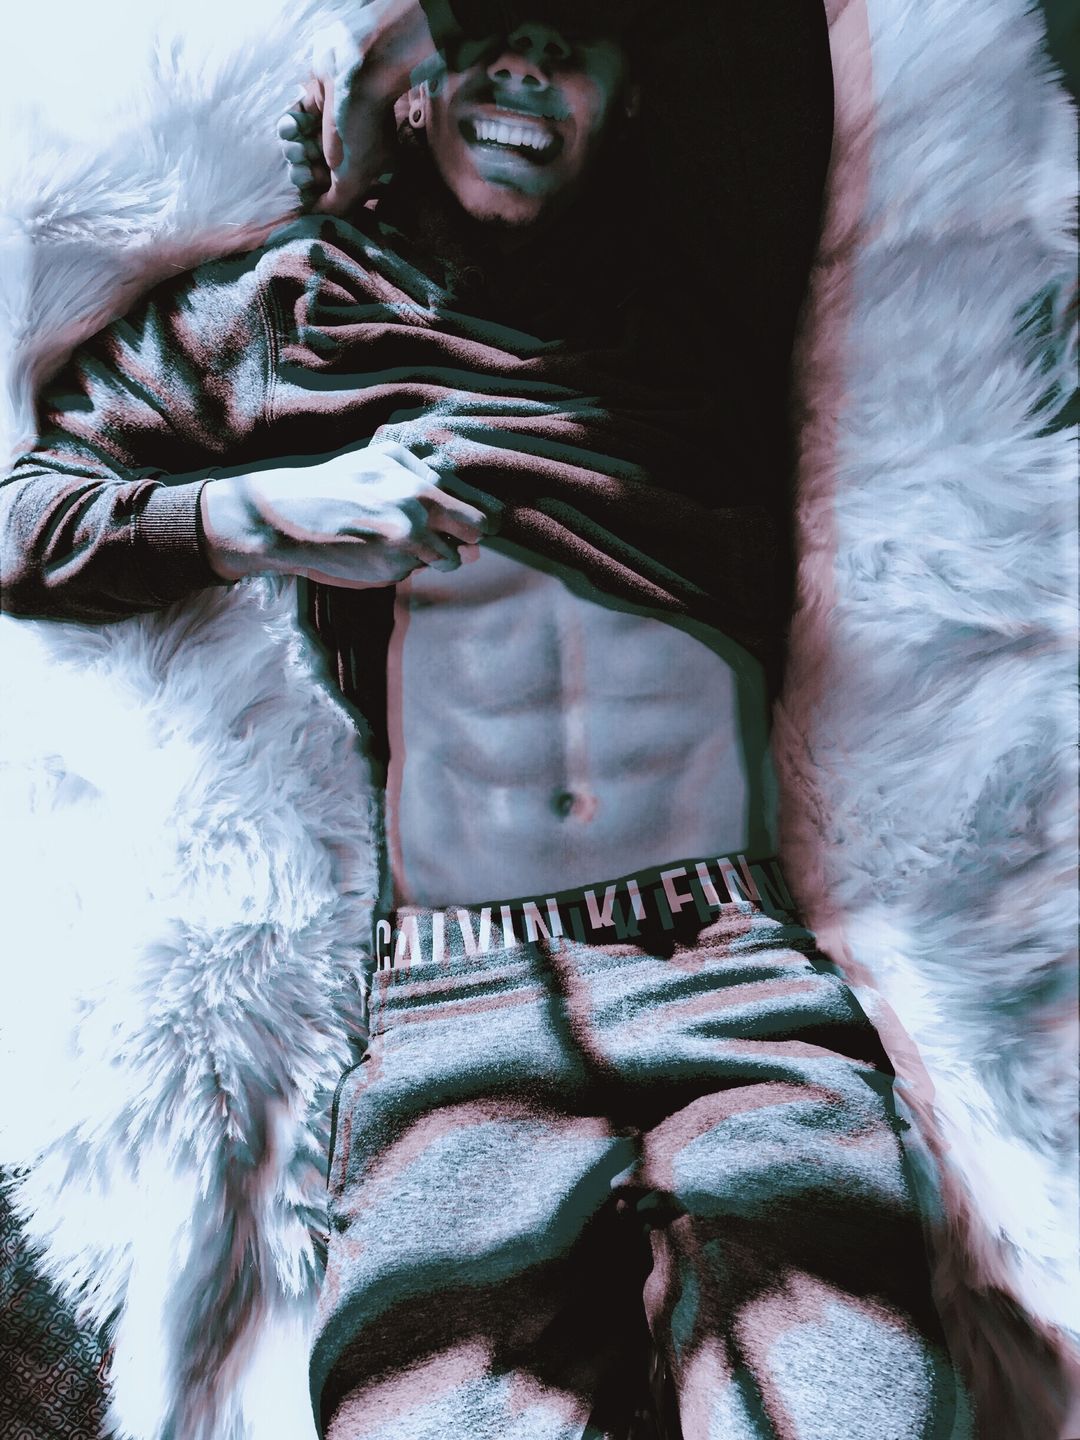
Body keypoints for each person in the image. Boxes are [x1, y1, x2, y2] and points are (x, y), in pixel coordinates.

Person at [0, 2, 972, 1435]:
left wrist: (394, 38)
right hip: (455, 1002)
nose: (524, 62)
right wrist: (266, 514)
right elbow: (25, 520)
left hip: (736, 973)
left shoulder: (702, 278)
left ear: (630, 92)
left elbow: (766, 36)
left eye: (569, 42)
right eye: (488, 31)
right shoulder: (298, 306)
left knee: (858, 1401)